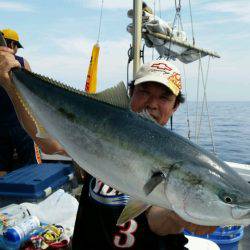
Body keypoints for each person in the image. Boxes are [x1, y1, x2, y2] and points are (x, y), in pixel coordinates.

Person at [0, 46, 216, 249]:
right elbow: (48, 142)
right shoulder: (100, 131)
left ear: (175, 106)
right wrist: (11, 86)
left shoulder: (180, 161)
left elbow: (157, 218)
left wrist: (178, 216)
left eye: (164, 97)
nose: (152, 103)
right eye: (144, 91)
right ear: (131, 93)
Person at [0, 29, 40, 172]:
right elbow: (32, 94)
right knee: (30, 167)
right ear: (11, 44)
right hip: (22, 125)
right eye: (16, 46)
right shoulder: (22, 63)